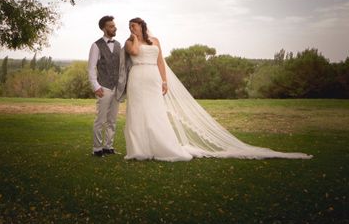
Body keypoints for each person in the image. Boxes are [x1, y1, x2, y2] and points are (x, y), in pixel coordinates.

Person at [123, 17, 312, 161]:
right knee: (138, 112)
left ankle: (162, 147)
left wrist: (164, 81)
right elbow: (134, 53)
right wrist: (134, 38)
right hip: (138, 78)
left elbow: (160, 62)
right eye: (130, 26)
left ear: (142, 26)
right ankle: (139, 150)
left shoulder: (155, 41)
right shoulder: (129, 42)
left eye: (135, 26)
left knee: (155, 113)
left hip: (153, 78)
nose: (132, 28)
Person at [87, 15, 126, 157]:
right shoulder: (96, 45)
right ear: (104, 28)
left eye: (114, 26)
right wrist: (96, 86)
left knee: (112, 120)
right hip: (103, 87)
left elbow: (121, 66)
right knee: (100, 120)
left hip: (116, 88)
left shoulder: (118, 45)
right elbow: (91, 68)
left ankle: (108, 146)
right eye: (111, 26)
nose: (114, 28)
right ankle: (97, 149)